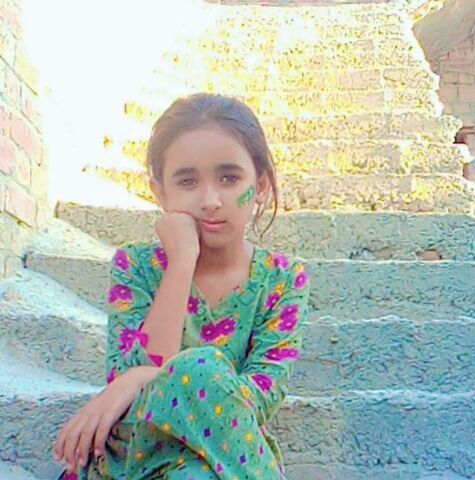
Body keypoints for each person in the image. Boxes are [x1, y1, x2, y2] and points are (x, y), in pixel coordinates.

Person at [53, 93, 310, 480]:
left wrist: (145, 376)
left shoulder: (282, 280)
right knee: (201, 367)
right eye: (187, 181)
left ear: (259, 185)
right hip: (135, 454)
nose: (210, 200)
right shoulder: (136, 266)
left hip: (220, 456)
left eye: (229, 178)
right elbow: (125, 386)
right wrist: (182, 261)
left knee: (196, 463)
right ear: (160, 192)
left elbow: (260, 396)